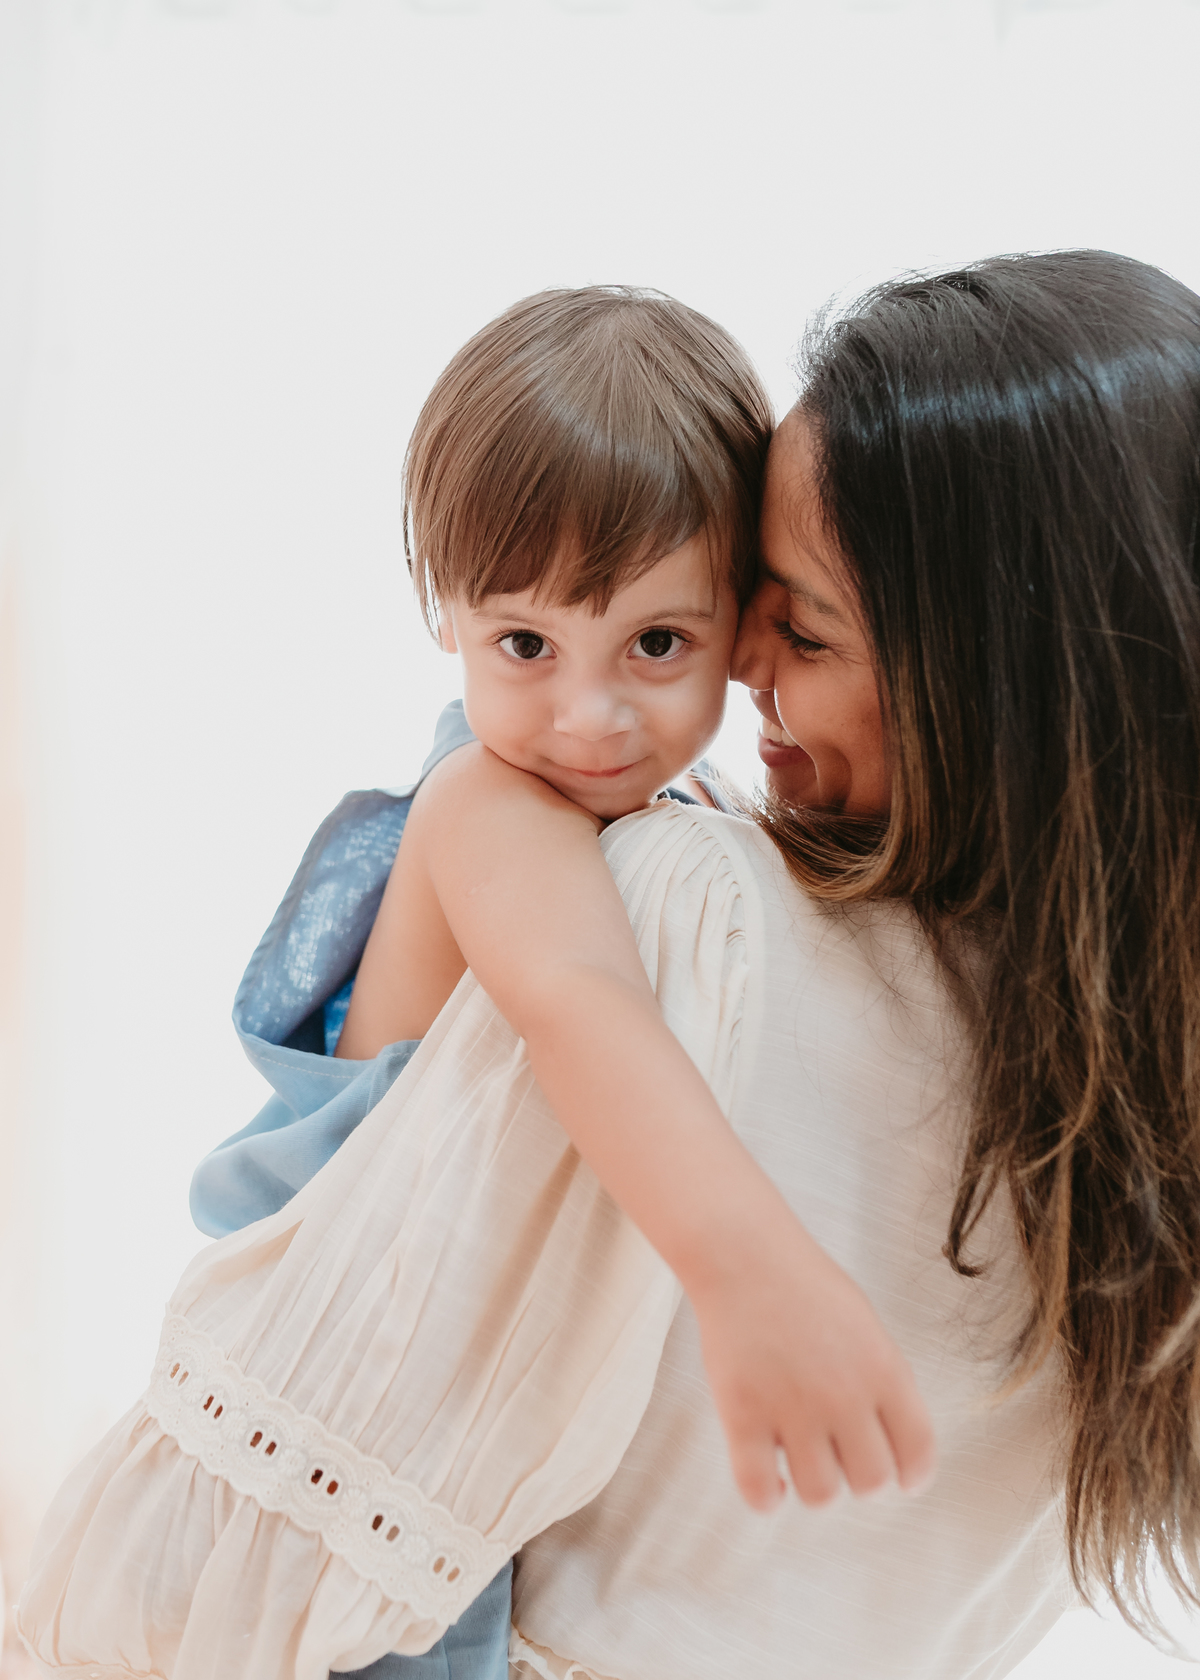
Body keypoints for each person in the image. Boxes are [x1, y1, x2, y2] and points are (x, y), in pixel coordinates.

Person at [17, 287, 935, 1680]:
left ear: (741, 623)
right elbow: (582, 1004)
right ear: (446, 614)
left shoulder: (658, 815)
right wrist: (752, 1272)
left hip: (424, 1426)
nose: (589, 713)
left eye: (657, 646)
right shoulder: (488, 810)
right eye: (527, 646)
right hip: (334, 1415)